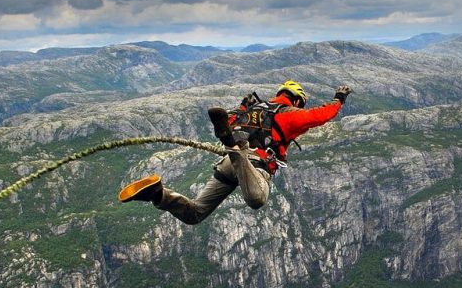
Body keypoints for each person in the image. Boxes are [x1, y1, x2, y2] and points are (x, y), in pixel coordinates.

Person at [118, 80, 353, 224]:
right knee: (257, 199)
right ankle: (234, 147)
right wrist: (339, 99)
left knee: (194, 214)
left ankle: (158, 195)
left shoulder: (251, 109)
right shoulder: (289, 114)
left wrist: (242, 106)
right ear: (297, 100)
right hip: (251, 164)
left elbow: (228, 119)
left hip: (226, 166)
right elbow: (321, 116)